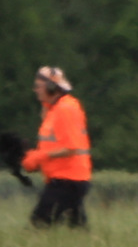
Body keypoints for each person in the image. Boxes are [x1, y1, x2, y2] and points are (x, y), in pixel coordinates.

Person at [21, 65, 91, 227]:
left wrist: (40, 156)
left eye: (38, 86)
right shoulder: (55, 110)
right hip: (66, 178)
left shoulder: (65, 109)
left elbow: (70, 148)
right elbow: (52, 144)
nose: (35, 90)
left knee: (39, 223)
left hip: (67, 180)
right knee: (77, 230)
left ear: (51, 88)